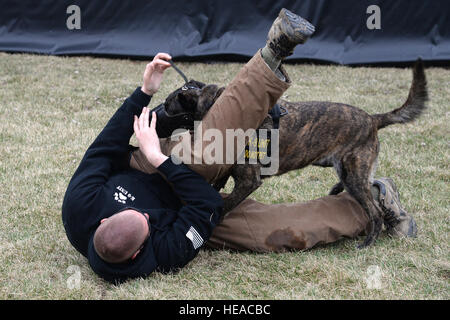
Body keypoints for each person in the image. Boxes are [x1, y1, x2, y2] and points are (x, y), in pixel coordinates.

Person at [62, 9, 417, 283]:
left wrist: (145, 93)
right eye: (145, 223)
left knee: (208, 152)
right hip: (193, 201)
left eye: (136, 213)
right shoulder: (164, 255)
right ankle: (374, 197)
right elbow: (206, 204)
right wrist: (166, 167)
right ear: (142, 249)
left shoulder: (78, 208)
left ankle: (271, 55)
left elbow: (103, 146)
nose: (145, 215)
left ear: (104, 219)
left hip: (154, 162)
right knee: (273, 233)